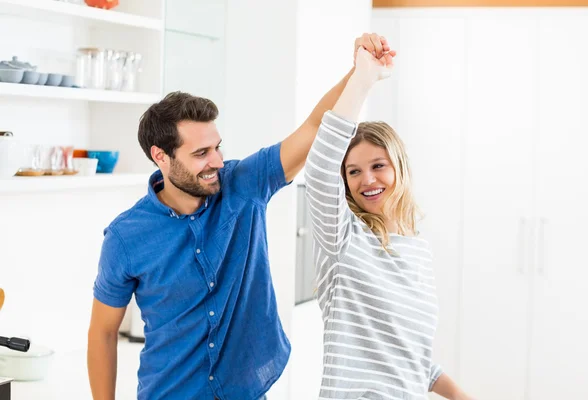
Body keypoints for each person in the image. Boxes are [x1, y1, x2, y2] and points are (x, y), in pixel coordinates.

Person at [87, 33, 392, 400]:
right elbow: (103, 332)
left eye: (217, 147)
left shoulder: (242, 185)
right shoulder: (126, 237)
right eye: (201, 153)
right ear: (160, 157)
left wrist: (360, 72)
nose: (216, 160)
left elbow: (316, 127)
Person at [305, 47, 475, 399]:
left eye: (378, 165)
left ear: (400, 166)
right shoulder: (344, 239)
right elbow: (320, 168)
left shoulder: (417, 249)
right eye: (354, 171)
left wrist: (460, 395)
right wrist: (362, 79)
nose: (367, 179)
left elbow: (411, 356)